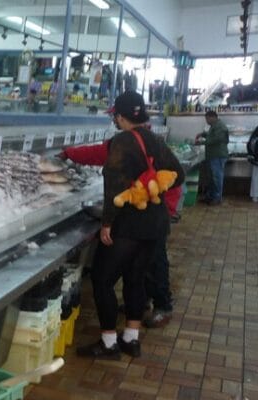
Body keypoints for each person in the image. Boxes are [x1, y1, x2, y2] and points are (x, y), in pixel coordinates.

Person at [76, 91, 184, 359]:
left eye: (115, 116)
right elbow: (178, 175)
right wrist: (151, 188)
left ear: (121, 117)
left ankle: (109, 343)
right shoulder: (154, 139)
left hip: (130, 224)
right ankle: (131, 339)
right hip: (156, 223)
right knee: (136, 279)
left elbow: (113, 186)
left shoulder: (121, 142)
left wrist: (107, 224)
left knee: (102, 280)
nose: (115, 120)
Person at [61, 120, 181, 329]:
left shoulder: (144, 142)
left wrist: (167, 207)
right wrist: (70, 153)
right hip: (148, 215)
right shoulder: (134, 140)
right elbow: (99, 153)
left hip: (153, 215)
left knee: (153, 262)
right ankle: (140, 306)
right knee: (137, 270)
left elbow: (174, 176)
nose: (115, 120)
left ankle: (162, 306)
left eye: (117, 116)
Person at [196, 110, 230, 205]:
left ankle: (217, 198)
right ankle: (210, 196)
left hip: (218, 156)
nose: (206, 121)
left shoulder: (220, 126)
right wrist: (203, 134)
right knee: (211, 178)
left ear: (213, 117)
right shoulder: (214, 126)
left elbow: (217, 139)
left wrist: (202, 142)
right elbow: (212, 136)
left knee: (217, 178)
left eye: (207, 118)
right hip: (213, 156)